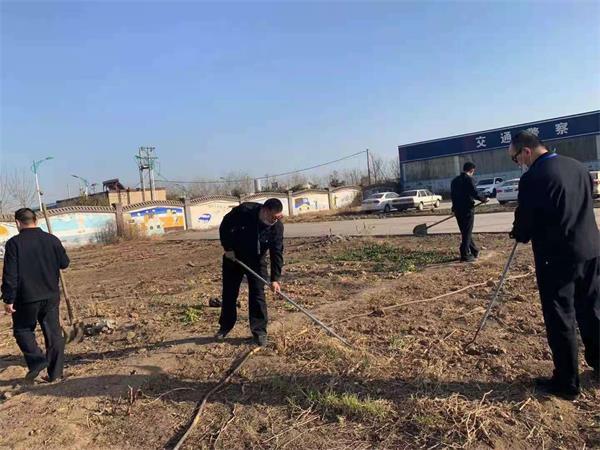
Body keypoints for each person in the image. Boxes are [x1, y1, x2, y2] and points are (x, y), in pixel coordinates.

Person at [509, 130, 600, 400]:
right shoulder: (578, 167)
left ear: (526, 151)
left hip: (557, 257)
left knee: (560, 316)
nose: (518, 163)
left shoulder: (534, 177)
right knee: (592, 309)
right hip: (591, 250)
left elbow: (526, 221)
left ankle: (566, 381)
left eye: (516, 158)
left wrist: (519, 232)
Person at [1, 208, 70, 383]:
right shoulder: (52, 239)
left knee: (22, 330)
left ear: (17, 223)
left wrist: (8, 299)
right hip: (51, 295)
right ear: (36, 221)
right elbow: (64, 263)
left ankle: (38, 361)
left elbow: (10, 274)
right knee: (53, 333)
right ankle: (56, 373)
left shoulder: (14, 244)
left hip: (26, 297)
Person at [216, 198, 285, 347]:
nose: (275, 221)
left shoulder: (277, 227)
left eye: (278, 218)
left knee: (257, 294)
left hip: (257, 260)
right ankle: (225, 326)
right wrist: (227, 248)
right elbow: (225, 225)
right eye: (273, 217)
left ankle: (259, 332)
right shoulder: (244, 211)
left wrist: (275, 279)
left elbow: (277, 252)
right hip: (234, 257)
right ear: (265, 211)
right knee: (229, 293)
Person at [450, 162, 488, 262]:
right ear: (472, 170)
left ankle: (474, 251)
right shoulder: (468, 179)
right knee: (467, 231)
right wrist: (483, 199)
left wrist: (453, 208)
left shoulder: (454, 181)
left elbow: (453, 196)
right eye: (473, 171)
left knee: (465, 231)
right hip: (467, 209)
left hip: (457, 210)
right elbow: (475, 192)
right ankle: (465, 254)